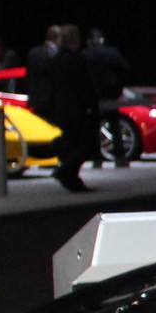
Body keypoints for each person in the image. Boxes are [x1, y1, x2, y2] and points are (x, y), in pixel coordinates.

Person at [25, 23, 98, 193]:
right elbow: (84, 86)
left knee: (71, 143)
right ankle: (65, 171)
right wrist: (91, 106)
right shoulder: (76, 59)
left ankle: (71, 178)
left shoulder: (55, 60)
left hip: (59, 107)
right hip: (76, 108)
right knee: (86, 144)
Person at [81, 28, 134, 168]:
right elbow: (126, 69)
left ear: (88, 41)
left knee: (94, 128)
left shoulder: (84, 55)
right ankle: (120, 158)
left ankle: (97, 159)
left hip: (93, 96)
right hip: (111, 95)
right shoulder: (112, 53)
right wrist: (118, 88)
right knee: (115, 126)